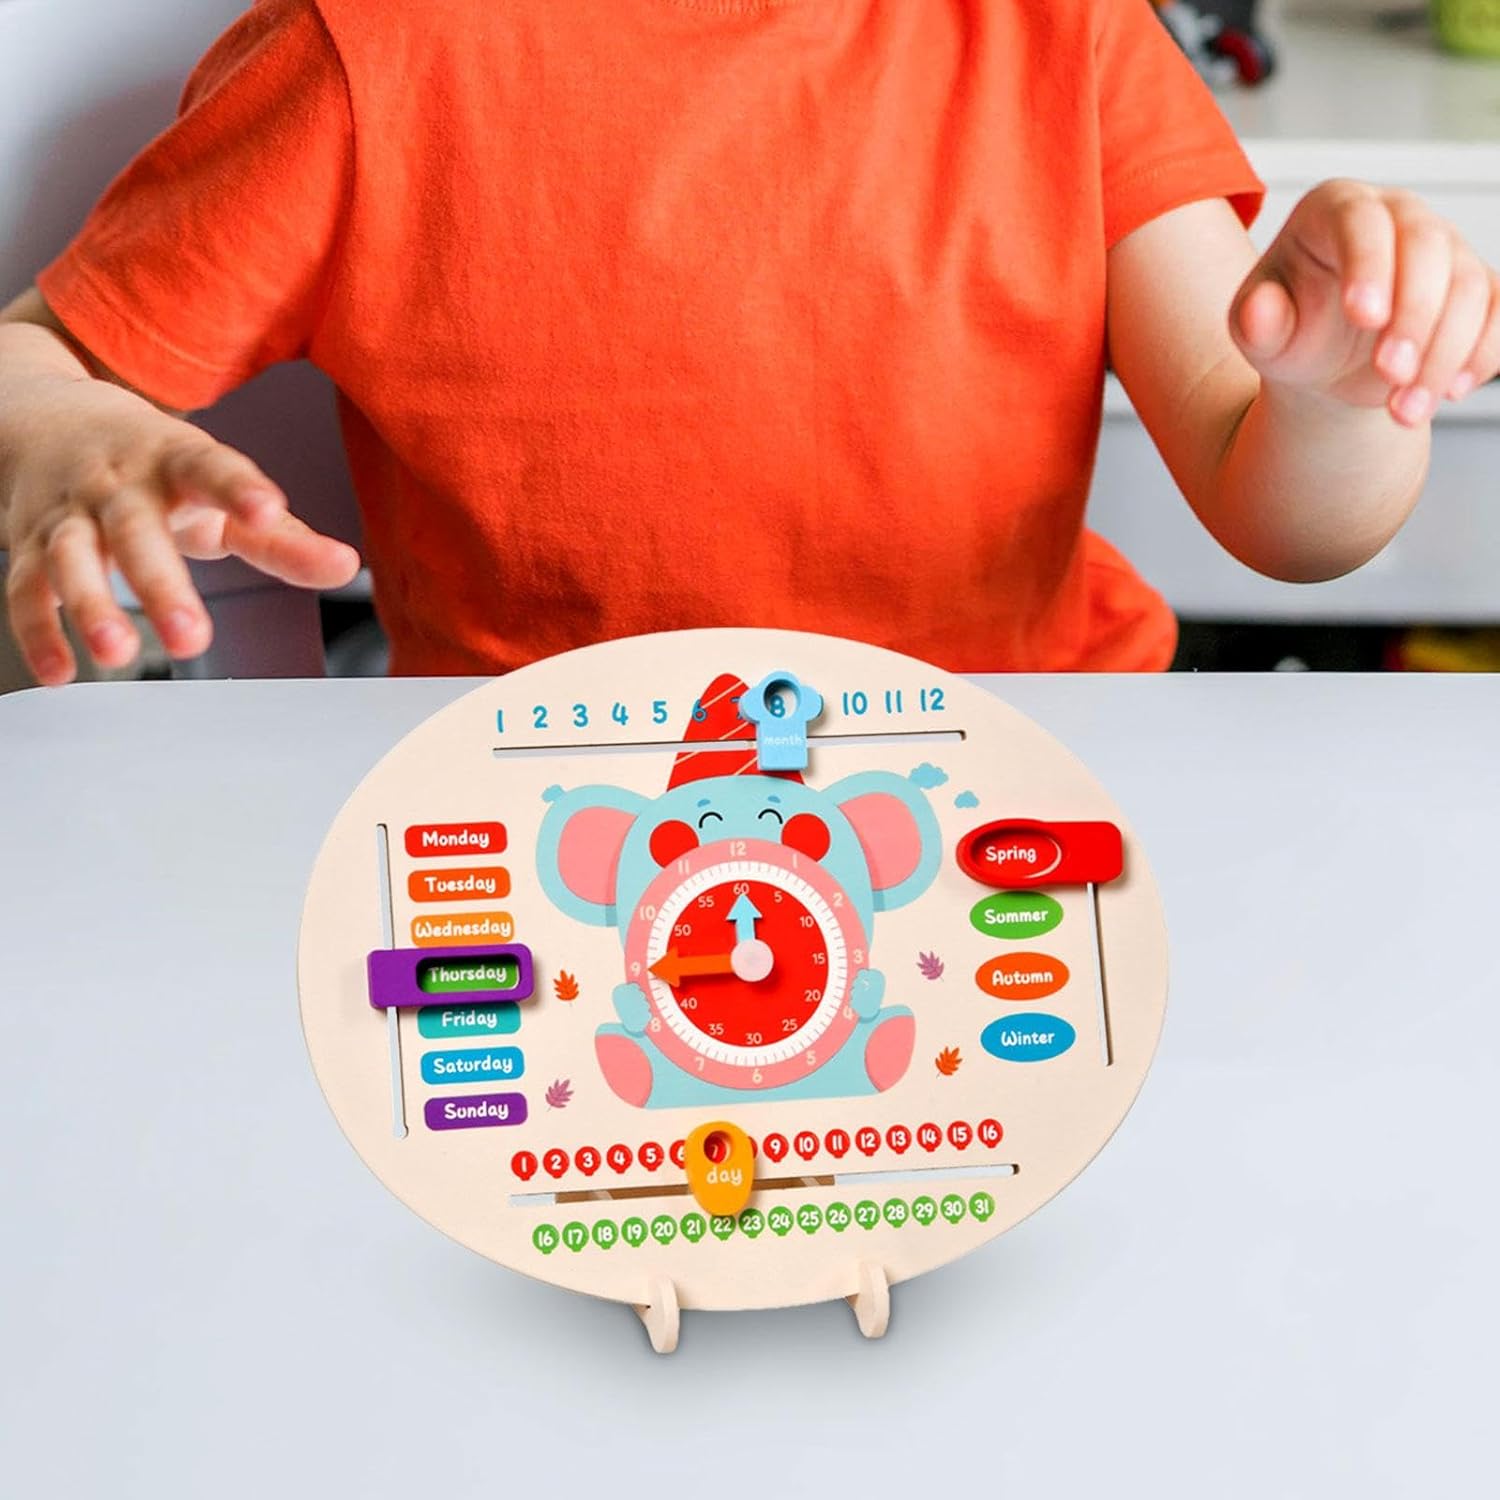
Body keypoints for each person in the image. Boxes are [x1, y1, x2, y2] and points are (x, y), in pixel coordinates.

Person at [1, 0, 1496, 686]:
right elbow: (33, 361)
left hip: (1026, 779)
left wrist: (1343, 392)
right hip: (551, 817)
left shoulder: (1068, 34)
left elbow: (1286, 519)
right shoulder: (369, 54)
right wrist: (68, 434)